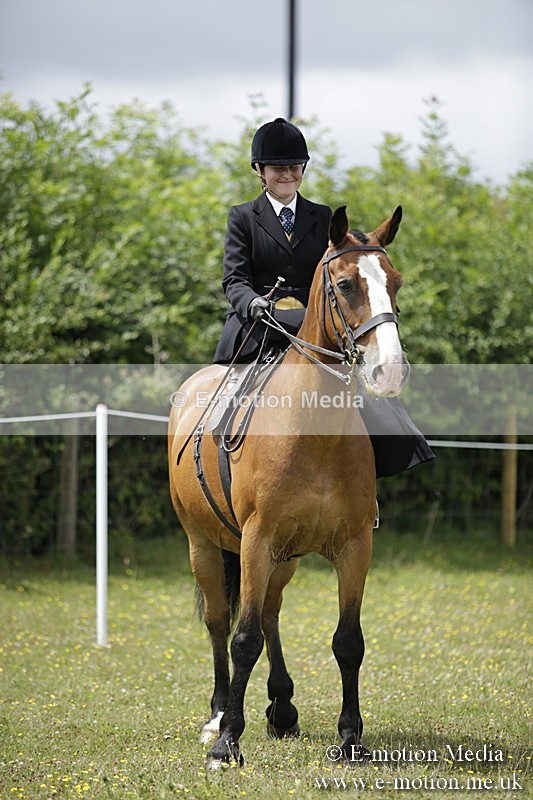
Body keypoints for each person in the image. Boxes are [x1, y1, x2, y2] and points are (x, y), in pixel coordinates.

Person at [213, 117, 434, 478]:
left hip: (312, 323)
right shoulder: (242, 217)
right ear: (260, 171)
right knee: (226, 397)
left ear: (302, 170)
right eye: (277, 168)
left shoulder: (322, 216)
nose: (287, 174)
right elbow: (234, 279)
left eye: (294, 167)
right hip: (259, 323)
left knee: (359, 390)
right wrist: (252, 302)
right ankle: (218, 462)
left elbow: (343, 267)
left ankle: (365, 488)